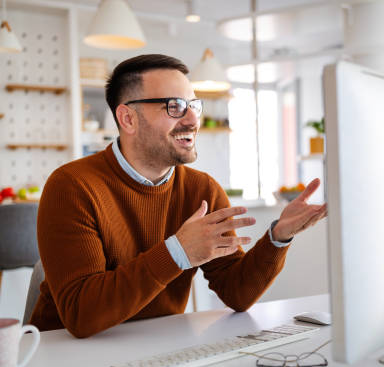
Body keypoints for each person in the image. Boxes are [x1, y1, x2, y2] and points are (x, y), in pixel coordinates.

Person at [29, 54, 327, 338]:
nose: (191, 120)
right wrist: (177, 253)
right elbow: (82, 315)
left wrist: (278, 237)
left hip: (156, 348)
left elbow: (236, 293)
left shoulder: (202, 189)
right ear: (128, 118)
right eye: (174, 106)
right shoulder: (71, 186)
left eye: (192, 105)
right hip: (61, 358)